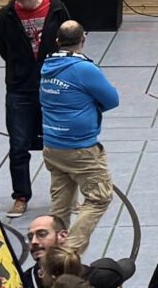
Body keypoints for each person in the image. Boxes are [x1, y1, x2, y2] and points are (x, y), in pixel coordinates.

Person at [38, 21, 119, 257]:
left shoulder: (48, 65)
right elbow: (112, 99)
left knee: (60, 208)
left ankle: (50, 258)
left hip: (53, 146)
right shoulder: (83, 69)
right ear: (83, 39)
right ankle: (66, 257)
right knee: (99, 198)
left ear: (57, 41)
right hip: (80, 149)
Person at [0, 0, 57, 214]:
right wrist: (21, 68)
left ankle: (62, 195)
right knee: (18, 145)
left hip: (51, 88)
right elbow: (3, 48)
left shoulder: (56, 10)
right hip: (19, 90)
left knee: (57, 145)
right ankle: (21, 195)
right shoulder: (5, 16)